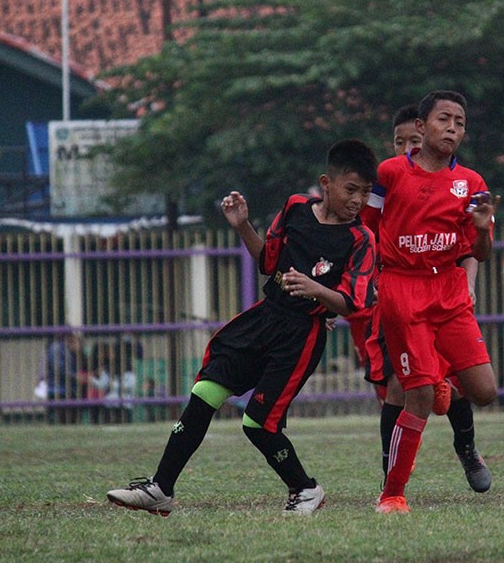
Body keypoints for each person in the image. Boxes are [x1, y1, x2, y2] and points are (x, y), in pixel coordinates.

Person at [106, 139, 378, 516]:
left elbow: (355, 302)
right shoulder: (296, 207)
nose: (358, 200)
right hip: (265, 318)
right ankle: (160, 489)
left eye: (365, 192)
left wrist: (317, 291)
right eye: (351, 189)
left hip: (301, 335)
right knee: (203, 394)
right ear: (326, 183)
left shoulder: (361, 238)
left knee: (257, 424)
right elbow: (268, 260)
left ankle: (305, 488)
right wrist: (242, 225)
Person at [364, 91, 500, 514]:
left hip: (451, 291)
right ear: (421, 128)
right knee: (416, 393)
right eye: (445, 119)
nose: (453, 128)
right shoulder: (388, 173)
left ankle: (444, 390)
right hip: (403, 288)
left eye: (460, 122)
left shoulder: (473, 183)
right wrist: (366, 277)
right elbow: (366, 228)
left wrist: (480, 230)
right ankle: (393, 495)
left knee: (485, 391)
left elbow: (480, 252)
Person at [42, 331, 85, 425]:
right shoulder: (57, 348)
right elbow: (59, 368)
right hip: (59, 388)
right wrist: (74, 376)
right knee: (64, 418)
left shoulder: (67, 348)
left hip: (66, 388)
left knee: (70, 417)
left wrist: (77, 352)